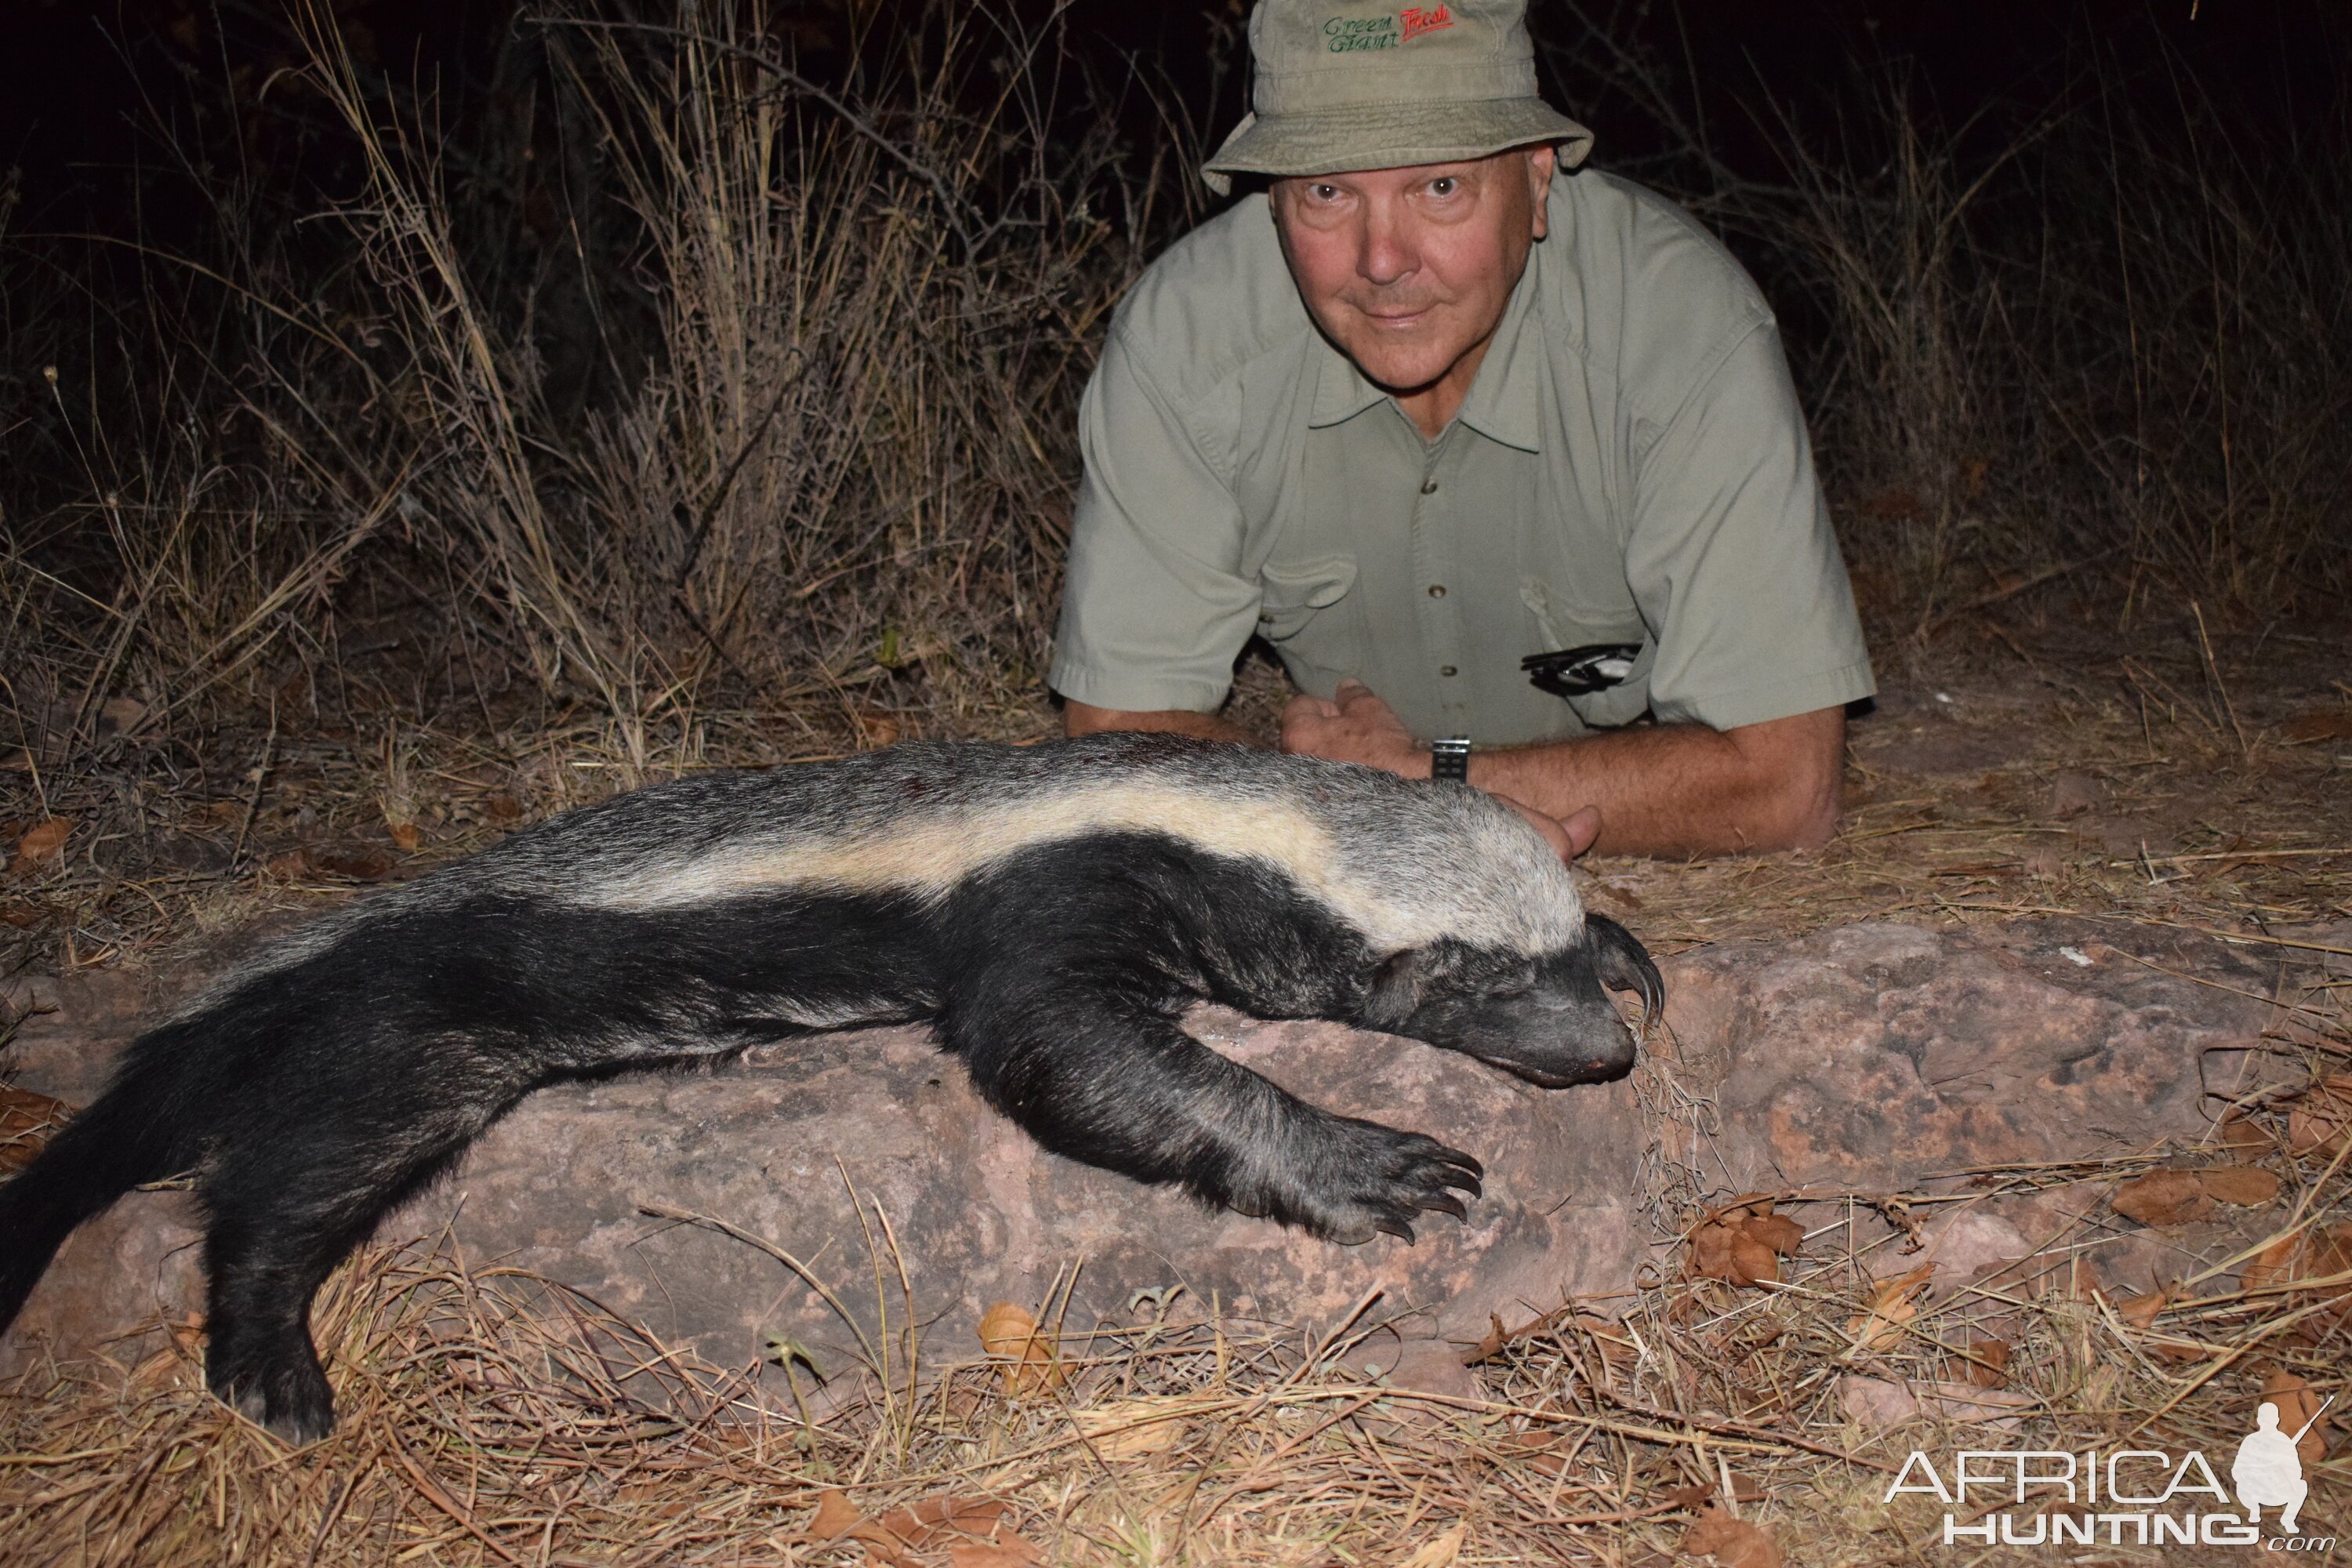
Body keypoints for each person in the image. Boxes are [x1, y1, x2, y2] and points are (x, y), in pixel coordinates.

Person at [1049, 0, 1875, 859]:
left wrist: (1425, 785)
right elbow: (1118, 730)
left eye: (1439, 187)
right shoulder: (1184, 345)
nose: (1382, 260)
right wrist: (1367, 796)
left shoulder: (1682, 329)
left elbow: (1784, 787)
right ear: (1269, 201)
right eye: (1327, 193)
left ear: (1539, 179)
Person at [2233, 1401, 2309, 1534]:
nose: (2268, 1421)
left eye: (2271, 1418)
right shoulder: (2251, 1441)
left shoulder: (2284, 1442)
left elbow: (2297, 1472)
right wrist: (2255, 1471)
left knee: (2301, 1486)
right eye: (2265, 1418)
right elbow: (2238, 1469)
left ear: (2277, 1420)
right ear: (2259, 1420)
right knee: (2241, 1485)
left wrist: (2283, 1465)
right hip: (2255, 1491)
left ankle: (2288, 1519)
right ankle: (2254, 1510)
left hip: (2277, 1491)